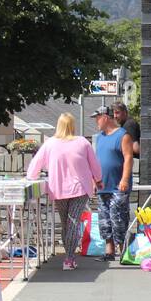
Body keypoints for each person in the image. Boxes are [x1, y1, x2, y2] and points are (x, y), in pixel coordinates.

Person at [26, 113, 102, 270]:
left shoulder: (49, 144)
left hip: (58, 188)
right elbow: (95, 165)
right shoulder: (82, 142)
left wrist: (32, 176)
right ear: (72, 125)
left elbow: (34, 166)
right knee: (73, 222)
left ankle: (69, 256)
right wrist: (98, 179)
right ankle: (69, 258)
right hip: (80, 188)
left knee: (66, 223)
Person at [93, 106, 133, 262]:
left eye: (97, 118)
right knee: (104, 219)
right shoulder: (100, 137)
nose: (96, 121)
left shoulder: (123, 136)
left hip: (118, 185)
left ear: (105, 117)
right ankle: (109, 251)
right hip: (103, 185)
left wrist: (124, 179)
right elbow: (97, 160)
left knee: (118, 217)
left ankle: (123, 251)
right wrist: (94, 179)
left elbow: (128, 158)